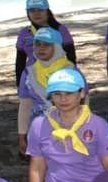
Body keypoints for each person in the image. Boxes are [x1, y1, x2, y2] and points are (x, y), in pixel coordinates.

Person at [16, 27, 76, 159]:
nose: (41, 48)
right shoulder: (28, 73)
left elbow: (84, 102)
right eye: (37, 44)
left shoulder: (71, 71)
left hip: (69, 129)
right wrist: (22, 135)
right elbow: (25, 105)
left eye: (47, 44)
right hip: (39, 131)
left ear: (57, 47)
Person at [13, 0, 77, 78]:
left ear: (47, 11)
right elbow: (20, 63)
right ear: (28, 13)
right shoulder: (24, 33)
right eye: (32, 10)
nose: (36, 14)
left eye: (40, 10)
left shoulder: (60, 30)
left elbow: (71, 57)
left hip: (58, 76)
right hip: (31, 78)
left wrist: (71, 76)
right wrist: (19, 83)